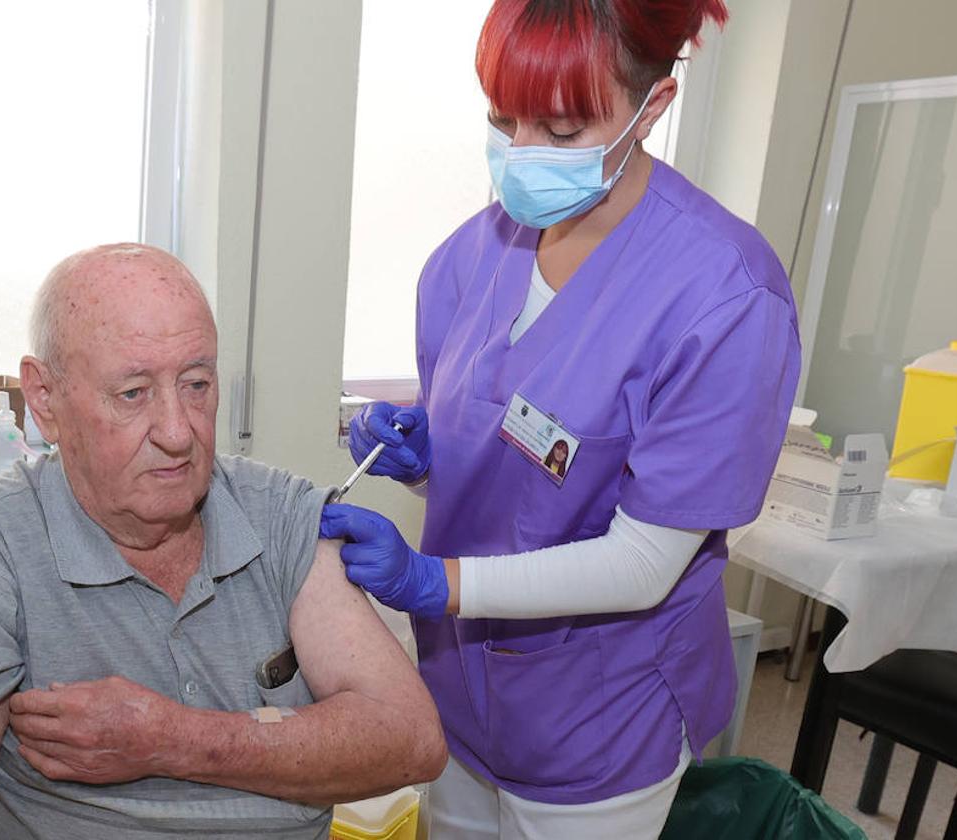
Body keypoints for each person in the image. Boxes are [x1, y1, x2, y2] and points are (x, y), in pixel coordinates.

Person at [320, 1, 801, 837]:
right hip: (460, 690)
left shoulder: (725, 299)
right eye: (504, 121)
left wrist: (434, 584)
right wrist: (425, 454)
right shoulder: (468, 258)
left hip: (602, 715)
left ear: (653, 108)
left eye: (563, 129)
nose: (524, 154)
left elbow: (645, 561)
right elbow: (512, 462)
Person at [0, 244, 446, 840]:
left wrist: (173, 739)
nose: (177, 433)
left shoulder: (278, 514)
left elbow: (412, 741)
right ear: (44, 401)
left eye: (196, 384)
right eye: (133, 394)